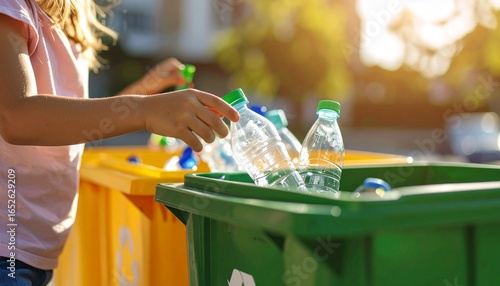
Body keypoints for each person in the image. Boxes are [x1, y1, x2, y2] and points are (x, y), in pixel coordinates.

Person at [0, 0, 240, 285]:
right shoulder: (11, 7)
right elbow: (17, 118)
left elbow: (67, 125)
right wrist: (144, 110)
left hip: (34, 251)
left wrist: (144, 92)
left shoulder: (69, 18)